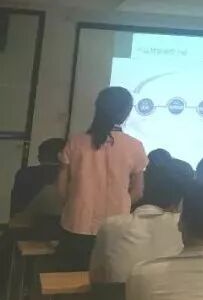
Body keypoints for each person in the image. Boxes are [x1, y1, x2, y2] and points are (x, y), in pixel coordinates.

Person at [56, 86, 148, 270]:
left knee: (69, 277)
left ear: (98, 108)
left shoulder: (76, 142)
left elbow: (61, 188)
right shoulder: (135, 146)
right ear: (126, 113)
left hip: (76, 224)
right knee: (107, 279)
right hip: (117, 228)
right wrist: (119, 204)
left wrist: (75, 204)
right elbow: (138, 192)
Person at [89, 158, 192, 283]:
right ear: (181, 201)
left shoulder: (110, 226)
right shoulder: (185, 228)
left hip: (118, 295)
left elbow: (96, 278)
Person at [10, 137, 65, 218]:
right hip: (60, 223)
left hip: (24, 221)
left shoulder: (24, 173)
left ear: (40, 157)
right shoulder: (69, 177)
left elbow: (15, 206)